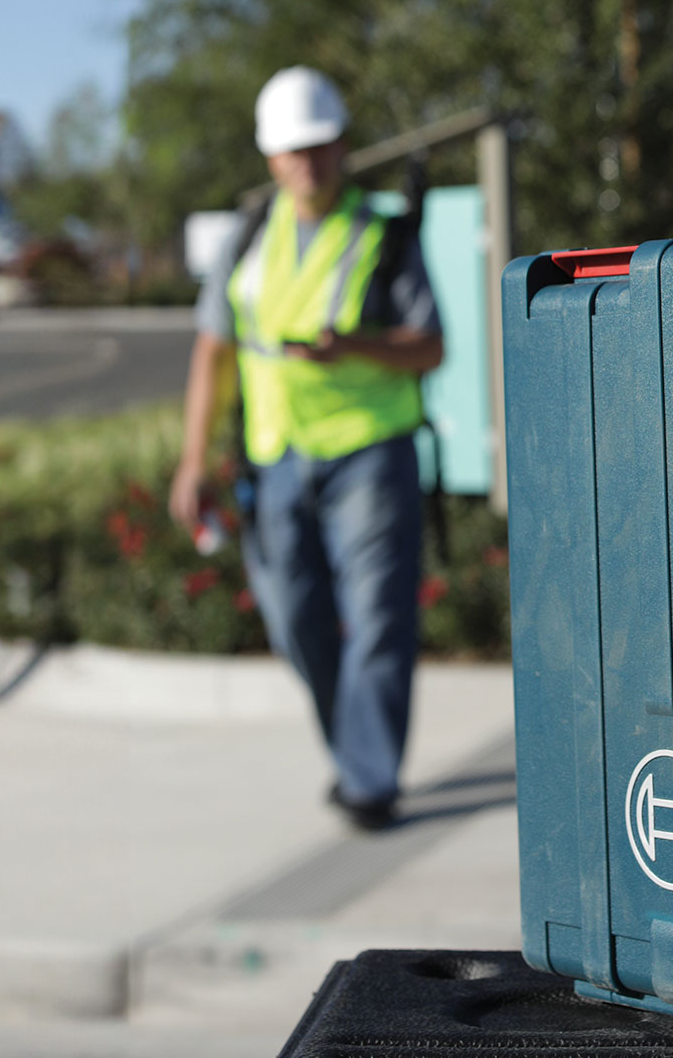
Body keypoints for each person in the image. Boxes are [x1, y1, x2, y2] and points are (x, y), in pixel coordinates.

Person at [169, 66, 443, 832]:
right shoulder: (247, 241)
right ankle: (354, 754)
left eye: (320, 147)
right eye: (294, 151)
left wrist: (353, 346)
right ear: (272, 160)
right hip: (276, 459)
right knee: (296, 623)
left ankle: (370, 781)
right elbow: (213, 355)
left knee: (380, 621)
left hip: (368, 453)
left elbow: (429, 347)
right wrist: (194, 461)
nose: (309, 163)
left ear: (342, 147)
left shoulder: (385, 233)